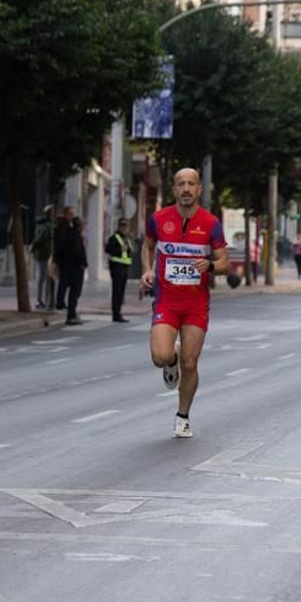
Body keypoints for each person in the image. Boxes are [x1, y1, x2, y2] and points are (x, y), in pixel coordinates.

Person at [141, 168, 229, 438]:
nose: (186, 189)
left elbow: (225, 263)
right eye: (181, 184)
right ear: (175, 190)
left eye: (191, 184)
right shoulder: (158, 219)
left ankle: (182, 416)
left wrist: (210, 266)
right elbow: (148, 245)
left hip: (195, 304)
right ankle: (171, 360)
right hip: (166, 301)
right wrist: (147, 270)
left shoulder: (211, 223)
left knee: (190, 364)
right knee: (160, 356)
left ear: (200, 189)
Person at [52, 206, 87, 326]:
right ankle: (67, 311)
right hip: (72, 265)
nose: (71, 216)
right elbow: (75, 250)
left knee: (67, 285)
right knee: (74, 290)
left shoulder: (67, 229)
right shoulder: (69, 231)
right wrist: (81, 263)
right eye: (70, 214)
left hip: (67, 263)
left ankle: (63, 305)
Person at [106, 218, 135, 323]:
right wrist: (119, 250)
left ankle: (118, 312)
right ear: (119, 227)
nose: (124, 228)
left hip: (124, 267)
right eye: (122, 226)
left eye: (126, 226)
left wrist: (130, 249)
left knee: (121, 292)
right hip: (116, 267)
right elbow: (108, 250)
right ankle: (116, 314)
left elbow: (130, 251)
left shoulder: (127, 238)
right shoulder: (114, 238)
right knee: (117, 291)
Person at [31, 205, 55, 309]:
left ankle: (45, 299)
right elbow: (40, 239)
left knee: (46, 278)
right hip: (44, 254)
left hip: (46, 254)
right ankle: (40, 300)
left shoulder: (44, 224)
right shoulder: (45, 225)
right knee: (43, 277)